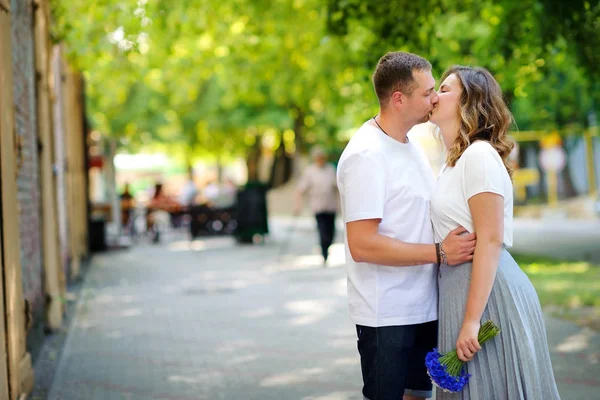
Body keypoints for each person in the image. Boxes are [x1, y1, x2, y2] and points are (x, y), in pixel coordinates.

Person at [336, 52, 476, 400]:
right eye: (428, 91)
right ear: (399, 99)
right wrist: (440, 253)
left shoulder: (410, 145)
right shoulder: (365, 155)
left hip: (424, 306)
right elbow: (363, 244)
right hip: (387, 314)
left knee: (418, 396)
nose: (434, 99)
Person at [429, 66, 560, 399]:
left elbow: (490, 238)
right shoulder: (453, 160)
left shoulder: (479, 156)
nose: (434, 95)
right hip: (462, 292)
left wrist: (472, 321)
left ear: (468, 101)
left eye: (444, 89)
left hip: (487, 298)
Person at [294, 146, 339, 264]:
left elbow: (337, 187)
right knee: (322, 230)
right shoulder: (310, 171)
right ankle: (324, 252)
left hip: (331, 206)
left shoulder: (330, 169)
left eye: (322, 157)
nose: (320, 159)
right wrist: (298, 206)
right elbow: (300, 189)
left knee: (331, 231)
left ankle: (327, 247)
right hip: (318, 206)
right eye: (318, 157)